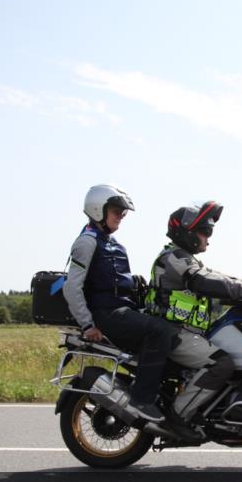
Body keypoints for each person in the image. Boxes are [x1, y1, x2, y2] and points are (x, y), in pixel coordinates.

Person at [63, 184, 199, 439]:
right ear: (97, 209)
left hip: (122, 310)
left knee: (169, 328)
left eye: (122, 212)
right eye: (116, 210)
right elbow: (72, 287)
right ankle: (141, 400)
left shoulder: (112, 244)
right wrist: (87, 325)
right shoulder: (87, 242)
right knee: (159, 331)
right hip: (107, 315)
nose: (120, 216)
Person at [147, 201, 242, 425]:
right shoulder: (174, 258)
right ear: (187, 231)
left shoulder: (185, 258)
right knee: (222, 363)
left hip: (186, 332)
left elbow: (217, 277)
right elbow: (203, 281)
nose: (208, 237)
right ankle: (178, 418)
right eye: (205, 231)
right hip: (173, 333)